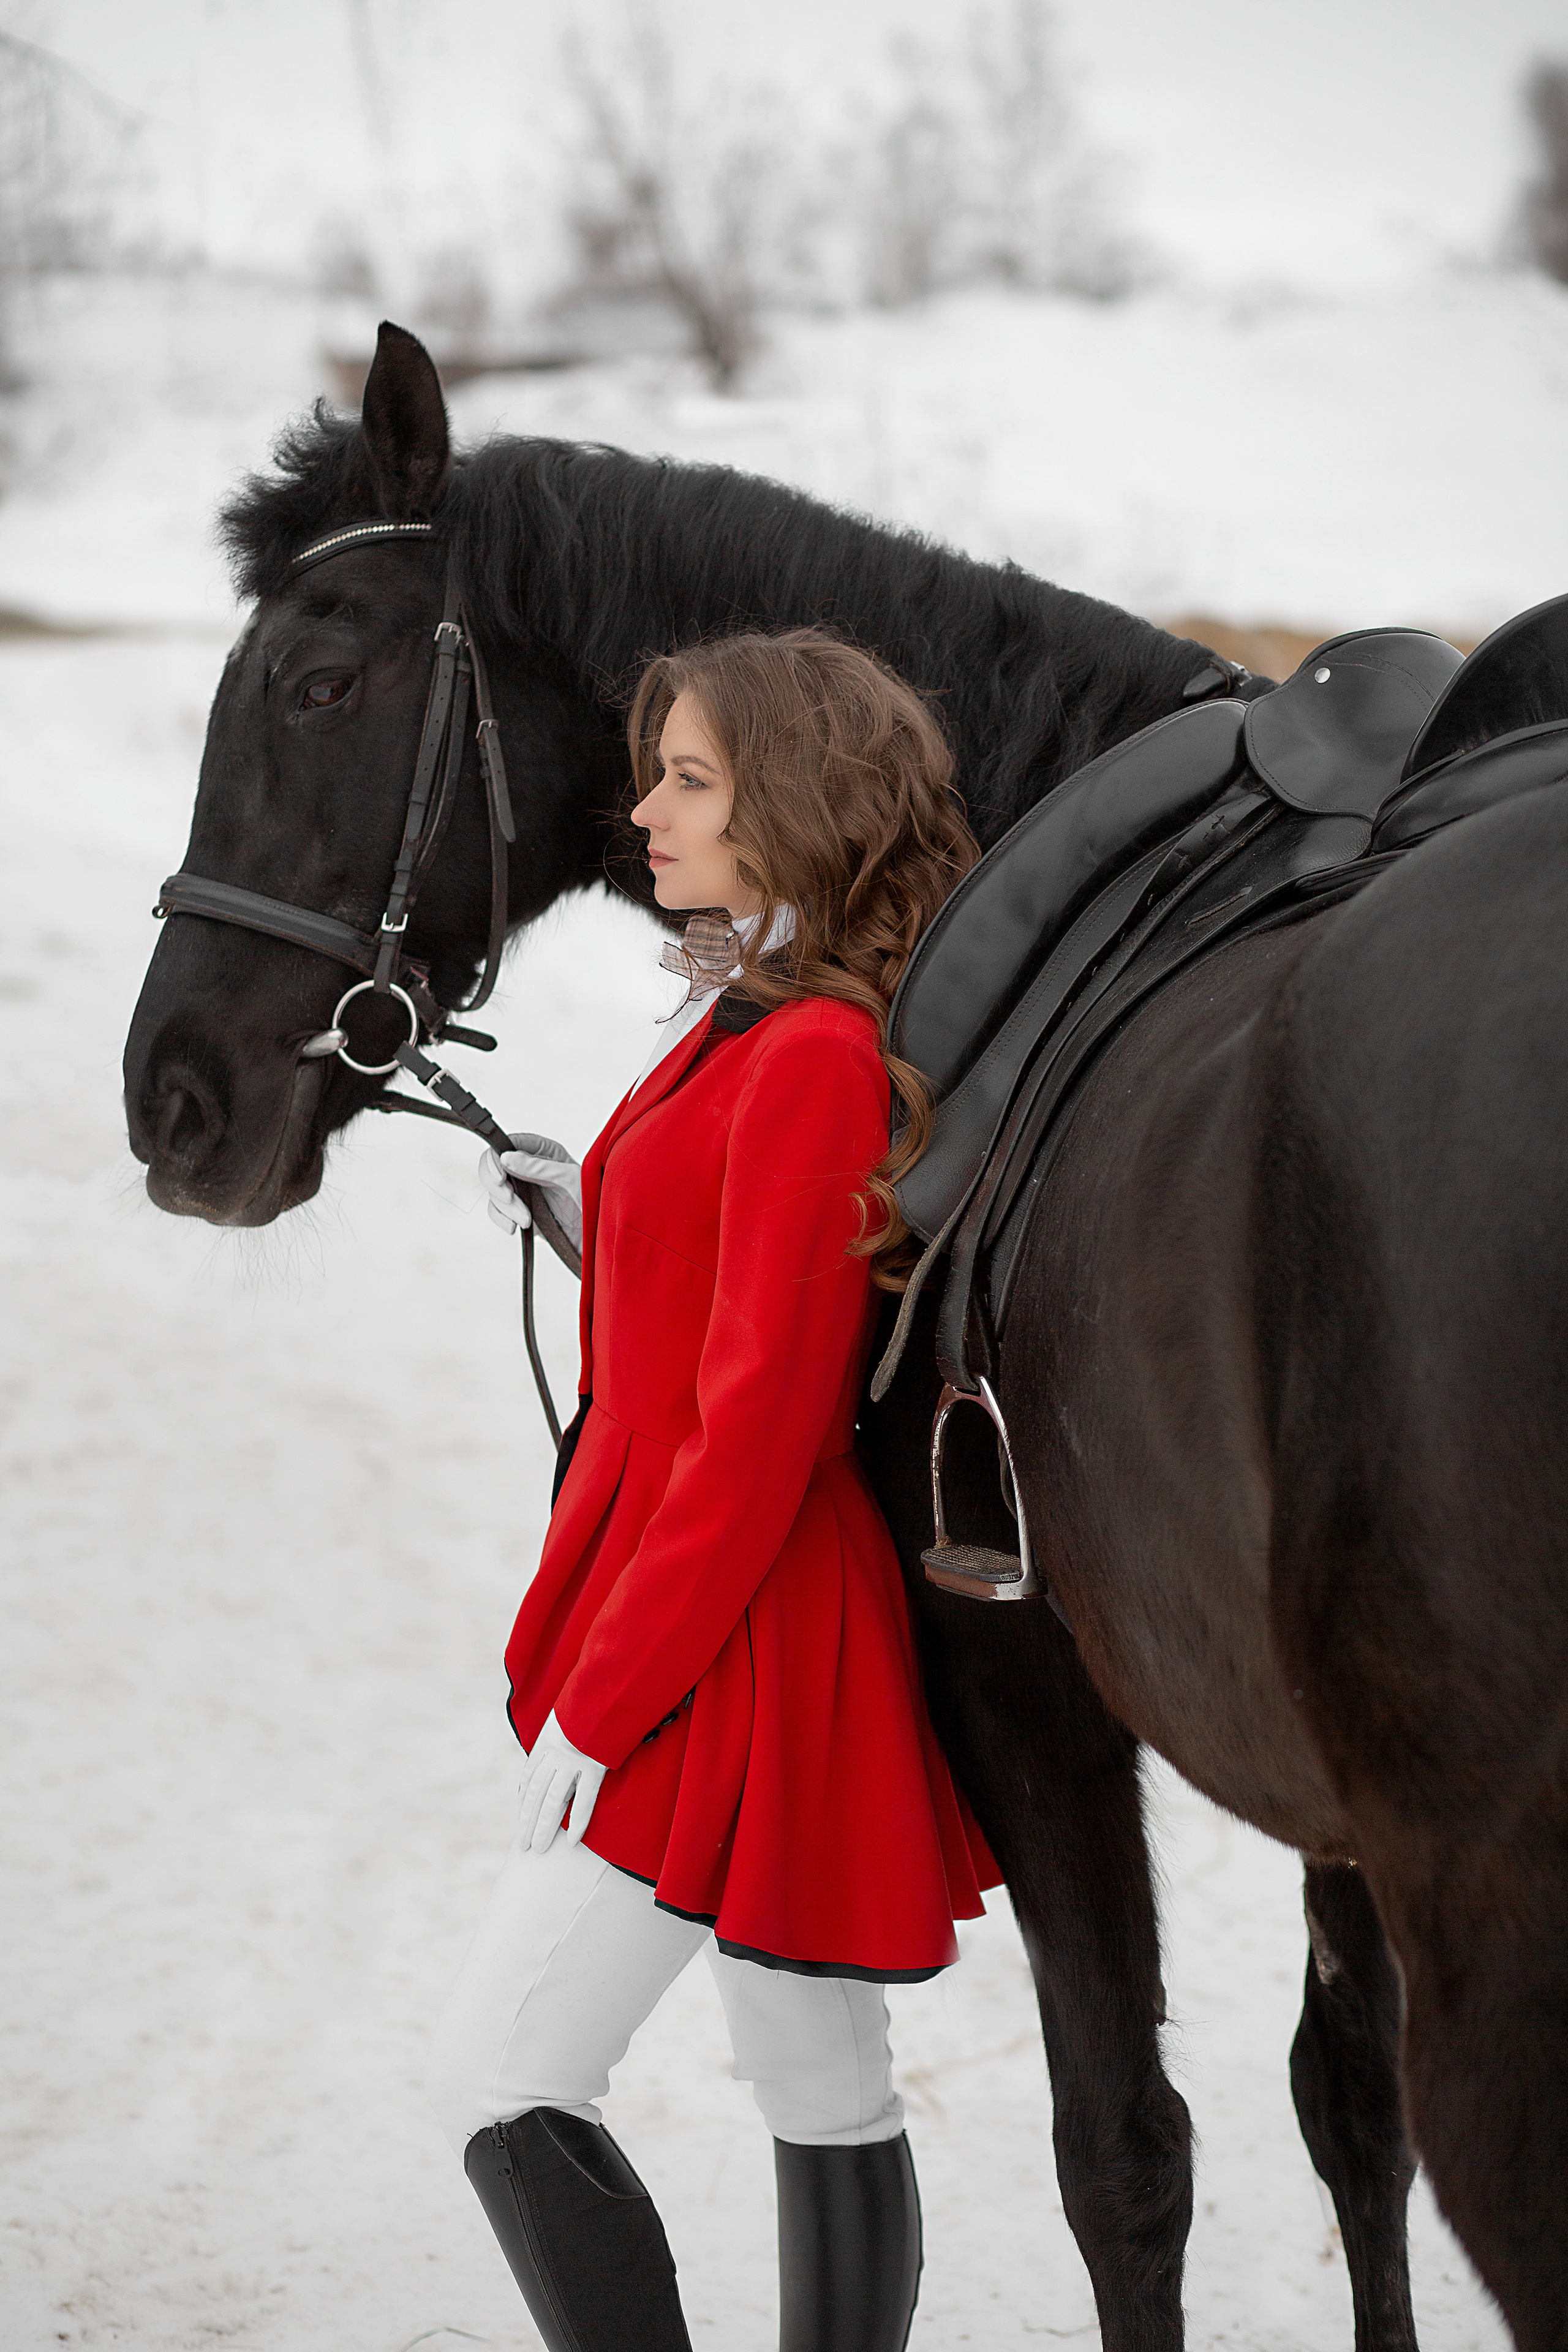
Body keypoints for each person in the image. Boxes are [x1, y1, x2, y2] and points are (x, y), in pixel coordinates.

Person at [426, 627, 998, 2352]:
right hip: (732, 1613)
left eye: (690, 778)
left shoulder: (815, 1049)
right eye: (652, 772)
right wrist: (596, 1226)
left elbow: (765, 1425)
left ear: (796, 800)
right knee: (820, 2078)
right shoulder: (752, 1010)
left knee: (501, 2069)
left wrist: (606, 1701)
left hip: (732, 1633)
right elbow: (735, 1296)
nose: (645, 811)